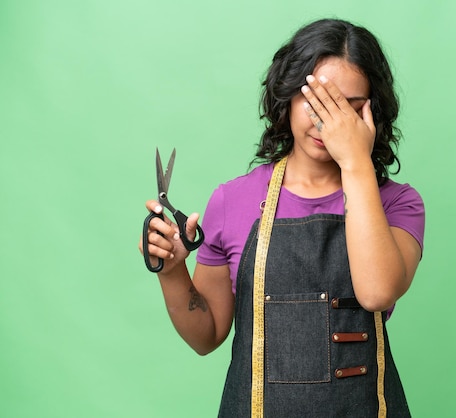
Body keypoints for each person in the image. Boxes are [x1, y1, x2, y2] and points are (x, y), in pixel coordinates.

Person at [139, 18, 425, 417]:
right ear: (288, 95)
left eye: (348, 108)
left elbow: (377, 292)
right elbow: (206, 337)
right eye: (316, 100)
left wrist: (356, 160)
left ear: (372, 114)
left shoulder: (398, 204)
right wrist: (171, 272)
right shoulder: (232, 200)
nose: (329, 123)